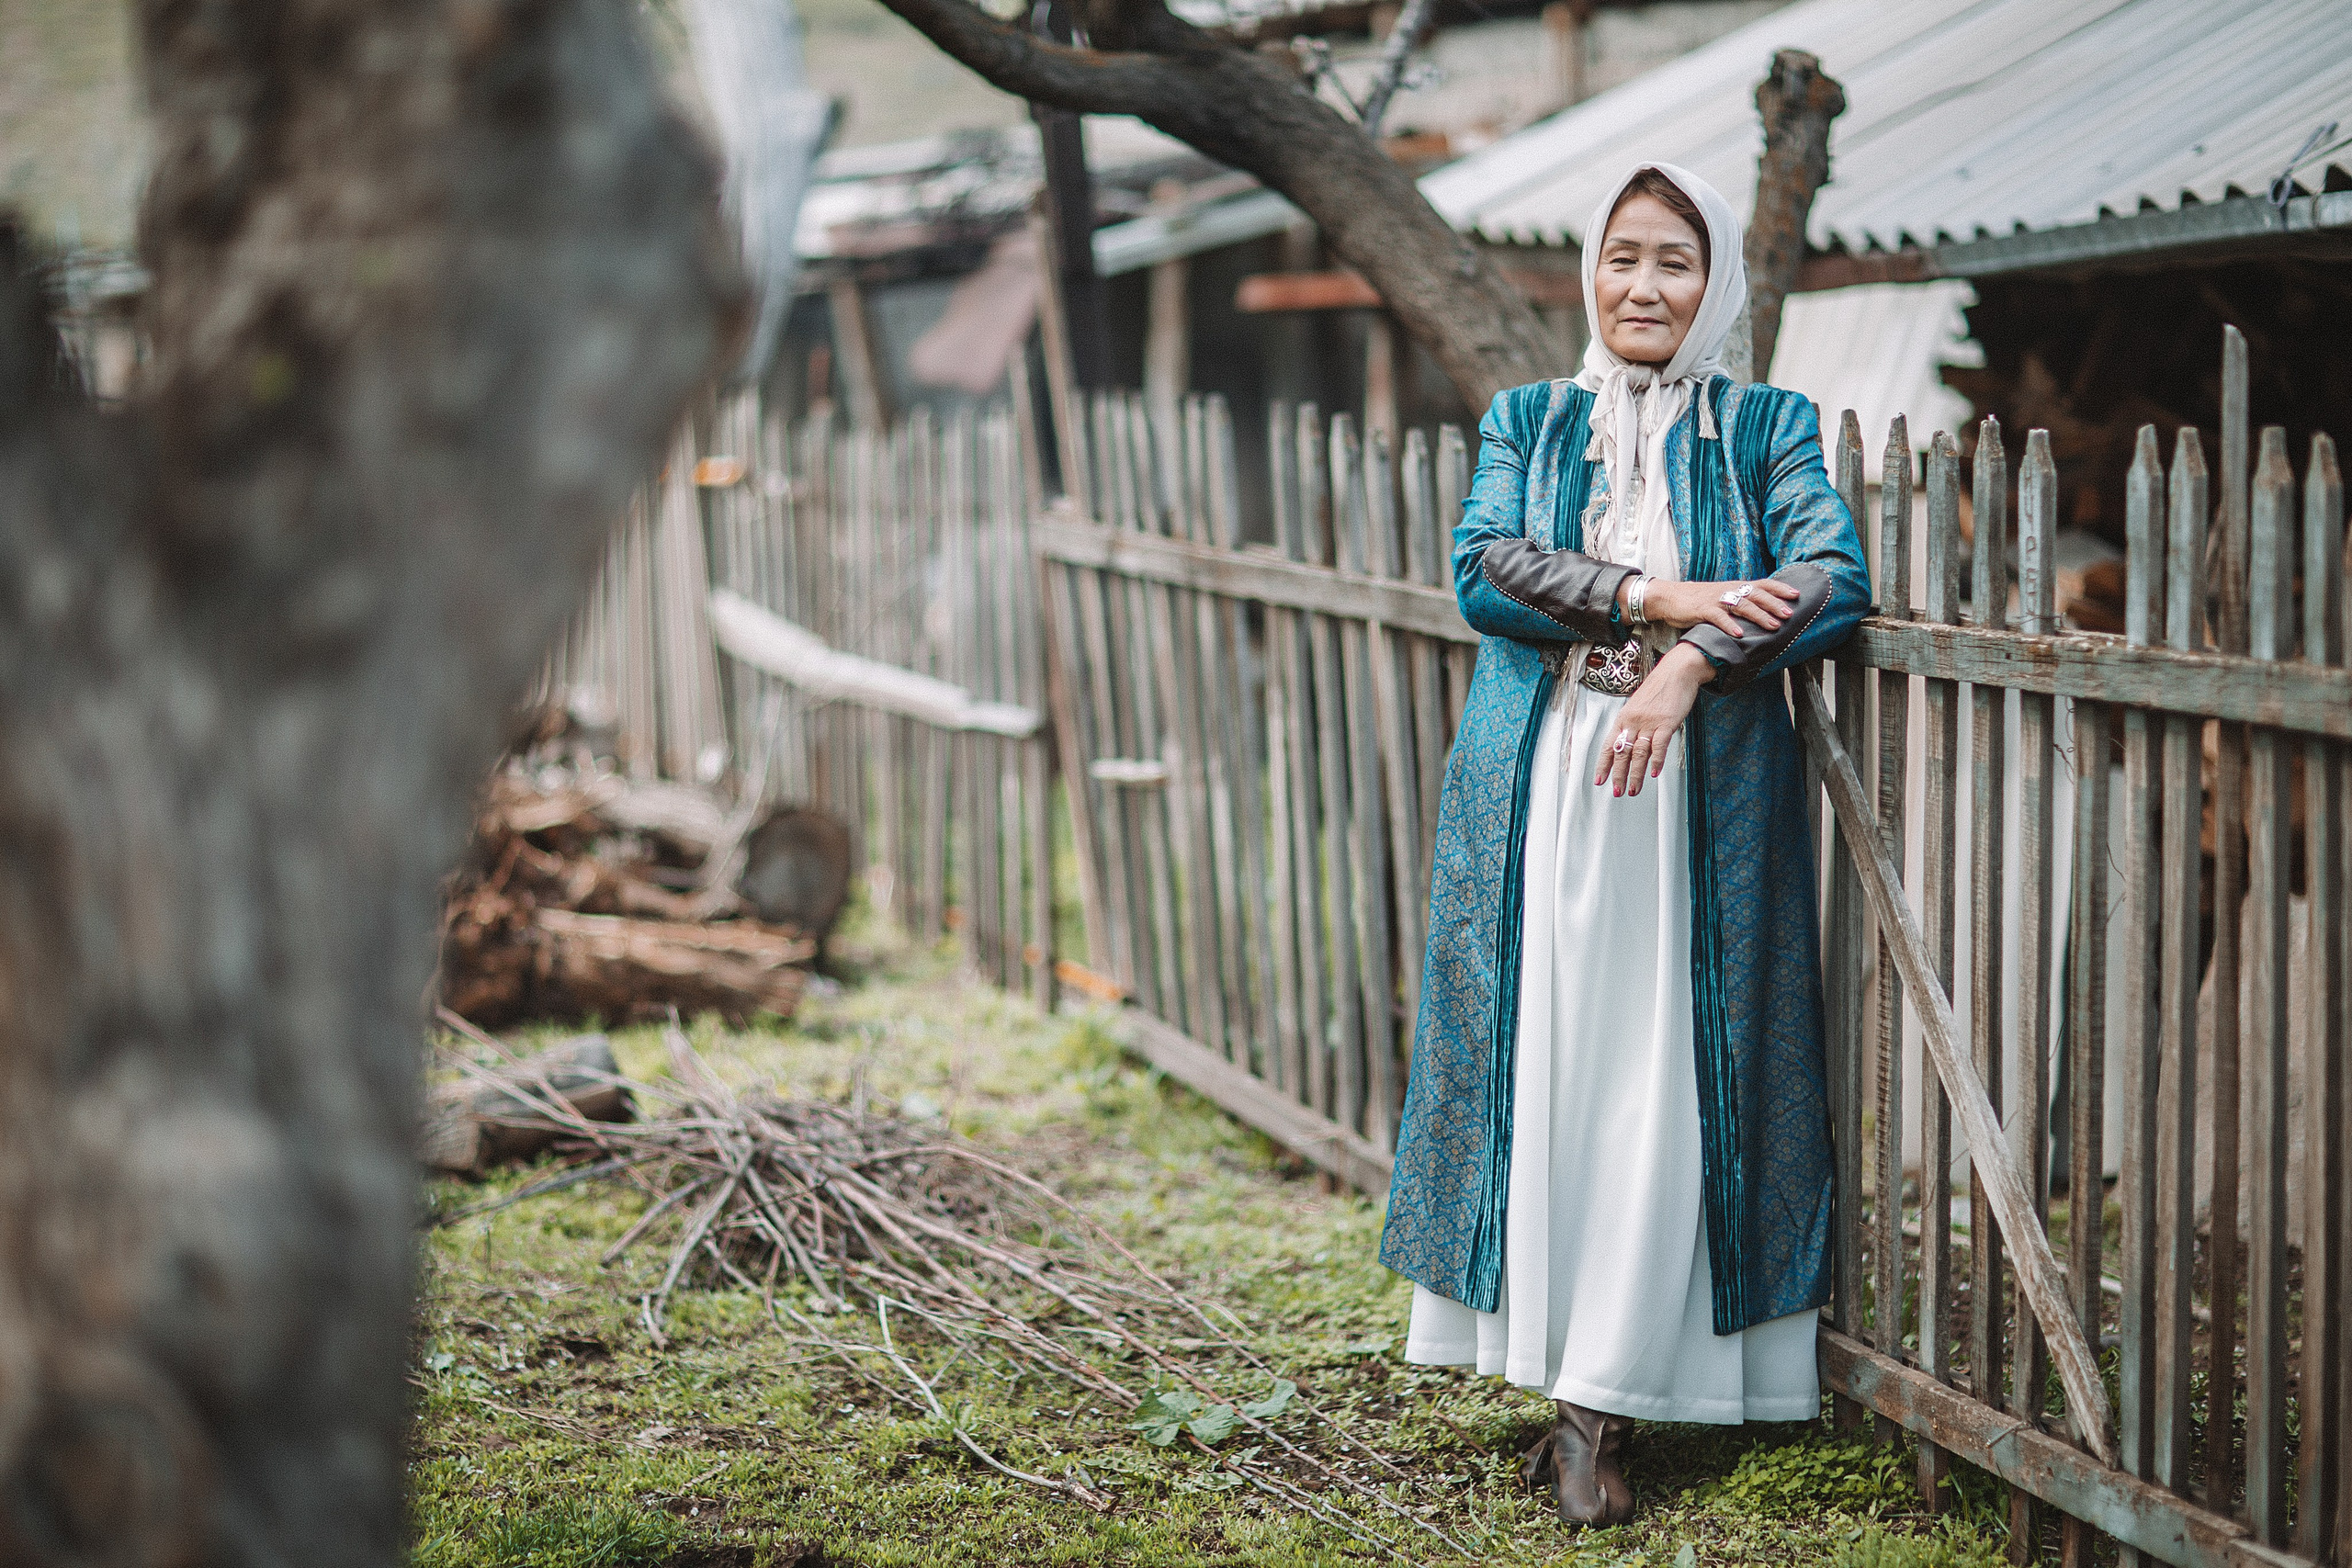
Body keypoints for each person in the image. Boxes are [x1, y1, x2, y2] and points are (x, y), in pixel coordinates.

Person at [1377, 162, 1870, 1526]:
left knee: (1668, 1071)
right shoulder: (1530, 419)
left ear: (1718, 287)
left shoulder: (1767, 427)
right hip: (1541, 792)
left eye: (1678, 263)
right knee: (1554, 1060)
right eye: (1624, 258)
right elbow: (1485, 569)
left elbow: (1832, 580)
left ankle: (1607, 1400)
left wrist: (1692, 661)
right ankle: (1548, 1356)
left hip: (1693, 810)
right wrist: (1647, 592)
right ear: (1591, 272)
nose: (1645, 288)